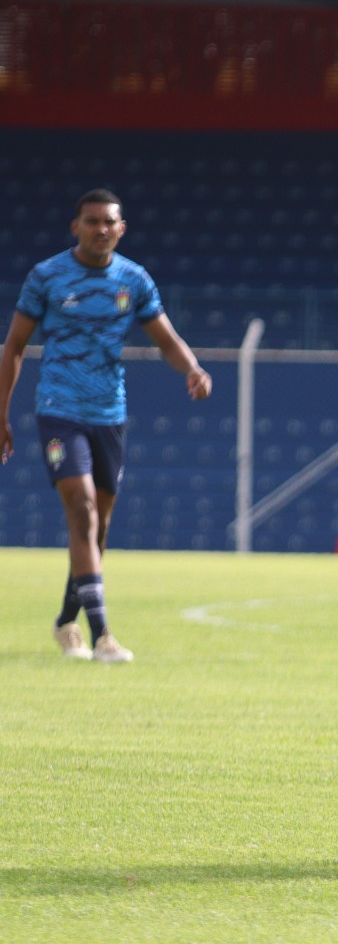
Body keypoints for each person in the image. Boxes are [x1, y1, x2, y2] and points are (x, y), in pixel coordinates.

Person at [0, 188, 213, 665]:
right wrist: (2, 412)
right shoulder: (47, 277)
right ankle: (103, 636)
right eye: (91, 221)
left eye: (108, 222)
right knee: (82, 506)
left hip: (109, 414)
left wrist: (193, 369)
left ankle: (64, 621)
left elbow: (166, 338)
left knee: (97, 528)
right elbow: (13, 345)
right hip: (59, 408)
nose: (100, 229)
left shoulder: (133, 281)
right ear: (75, 226)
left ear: (121, 229)